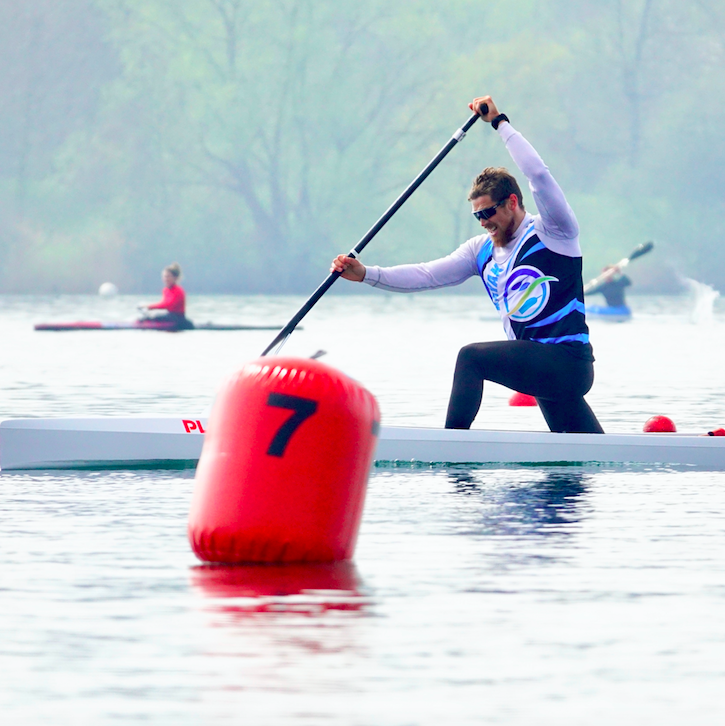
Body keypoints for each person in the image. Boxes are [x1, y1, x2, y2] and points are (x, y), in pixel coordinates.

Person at [331, 95, 604, 434]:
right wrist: (367, 274)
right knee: (579, 465)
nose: (483, 222)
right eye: (477, 215)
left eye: (489, 212)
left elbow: (539, 175)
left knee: (471, 358)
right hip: (538, 367)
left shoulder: (555, 232)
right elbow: (427, 275)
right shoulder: (480, 251)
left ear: (513, 202)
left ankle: (452, 445)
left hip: (567, 364)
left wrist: (499, 123)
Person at [139, 262, 194, 330]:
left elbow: (168, 305)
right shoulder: (165, 290)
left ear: (175, 278)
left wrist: (148, 306)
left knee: (152, 317)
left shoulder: (179, 291)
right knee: (147, 318)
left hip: (178, 318)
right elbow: (163, 304)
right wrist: (148, 307)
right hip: (169, 316)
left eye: (168, 276)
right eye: (164, 276)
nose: (166, 279)